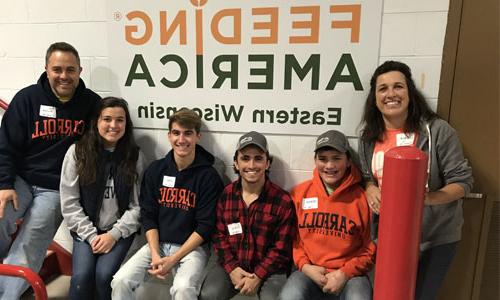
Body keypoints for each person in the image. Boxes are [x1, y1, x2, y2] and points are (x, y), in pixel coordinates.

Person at [358, 60, 473, 300]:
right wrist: (369, 188)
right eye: (383, 88)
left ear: (410, 92)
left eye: (398, 86)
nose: (391, 94)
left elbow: (463, 182)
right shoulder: (368, 137)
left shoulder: (438, 131)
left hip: (433, 238)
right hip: (389, 237)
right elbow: (367, 176)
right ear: (375, 97)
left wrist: (426, 199)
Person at [0, 42, 100, 299]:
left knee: (31, 242)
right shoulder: (27, 99)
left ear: (80, 70)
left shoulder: (92, 105)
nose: (64, 76)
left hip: (57, 188)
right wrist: (4, 185)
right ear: (46, 69)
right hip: (20, 180)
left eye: (70, 69)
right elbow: (5, 145)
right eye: (57, 69)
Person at [111, 108, 223, 299]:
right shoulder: (156, 170)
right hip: (158, 244)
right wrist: (155, 253)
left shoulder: (209, 177)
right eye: (176, 133)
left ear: (198, 136)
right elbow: (149, 215)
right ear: (169, 136)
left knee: (183, 288)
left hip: (192, 249)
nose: (182, 139)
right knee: (120, 280)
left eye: (188, 133)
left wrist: (173, 259)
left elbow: (206, 226)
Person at [60, 97, 145, 300]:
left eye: (120, 120)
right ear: (96, 122)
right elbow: (69, 203)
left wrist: (114, 235)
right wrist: (91, 235)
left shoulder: (135, 156)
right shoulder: (77, 152)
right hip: (86, 231)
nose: (113, 126)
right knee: (81, 277)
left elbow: (138, 206)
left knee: (104, 275)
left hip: (118, 231)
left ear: (127, 124)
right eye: (107, 119)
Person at [279, 130, 376, 300]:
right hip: (309, 272)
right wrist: (306, 267)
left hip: (351, 276)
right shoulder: (299, 194)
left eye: (336, 158)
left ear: (348, 161)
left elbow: (370, 247)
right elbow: (293, 240)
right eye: (323, 159)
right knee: (289, 297)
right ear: (315, 161)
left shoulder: (363, 199)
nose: (329, 166)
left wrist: (344, 273)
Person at [199, 131, 296, 300]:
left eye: (258, 158)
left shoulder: (282, 200)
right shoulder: (226, 195)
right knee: (208, 295)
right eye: (245, 158)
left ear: (267, 164)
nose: (252, 165)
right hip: (231, 265)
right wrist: (232, 268)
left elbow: (281, 249)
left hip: (270, 271)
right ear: (236, 163)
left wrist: (258, 275)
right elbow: (219, 236)